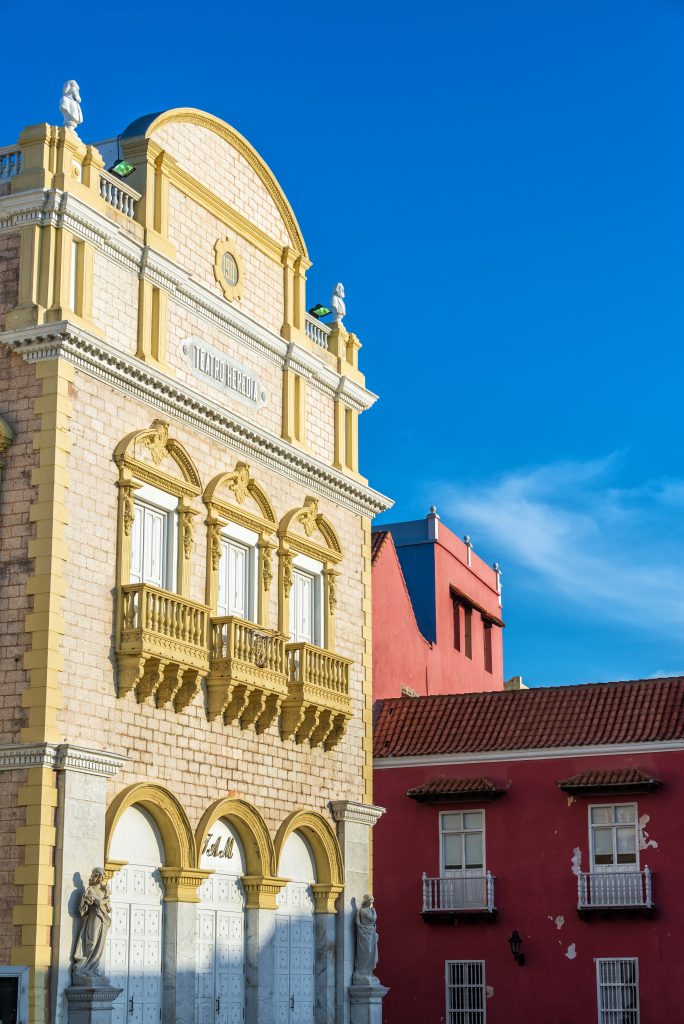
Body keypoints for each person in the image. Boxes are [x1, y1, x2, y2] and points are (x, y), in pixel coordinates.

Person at [73, 868, 112, 982]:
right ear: (94, 877)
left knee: (100, 945)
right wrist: (107, 896)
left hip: (103, 919)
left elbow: (108, 908)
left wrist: (106, 894)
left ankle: (93, 969)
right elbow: (99, 902)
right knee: (92, 942)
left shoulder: (103, 891)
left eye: (102, 876)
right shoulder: (91, 890)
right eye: (98, 875)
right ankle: (84, 968)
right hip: (94, 918)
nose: (100, 878)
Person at [353, 893, 379, 984]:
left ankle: (368, 972)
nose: (372, 901)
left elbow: (374, 919)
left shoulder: (370, 910)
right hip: (365, 932)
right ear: (367, 901)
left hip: (371, 931)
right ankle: (361, 972)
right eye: (370, 900)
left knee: (373, 952)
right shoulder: (364, 911)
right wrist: (374, 911)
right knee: (366, 951)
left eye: (372, 900)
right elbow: (373, 918)